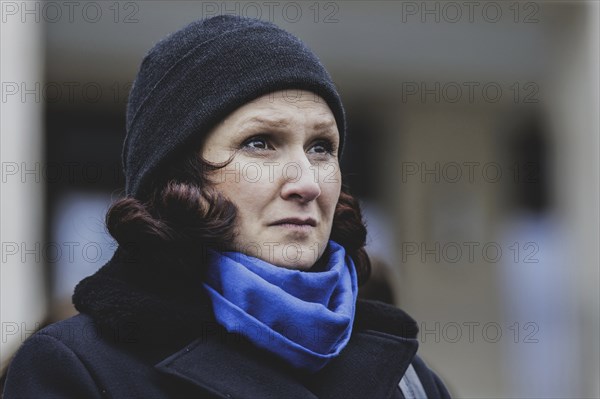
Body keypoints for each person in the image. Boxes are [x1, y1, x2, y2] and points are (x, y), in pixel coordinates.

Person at [3, 15, 451, 398]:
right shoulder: (78, 367)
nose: (307, 183)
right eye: (260, 143)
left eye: (321, 147)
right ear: (178, 180)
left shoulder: (409, 377)